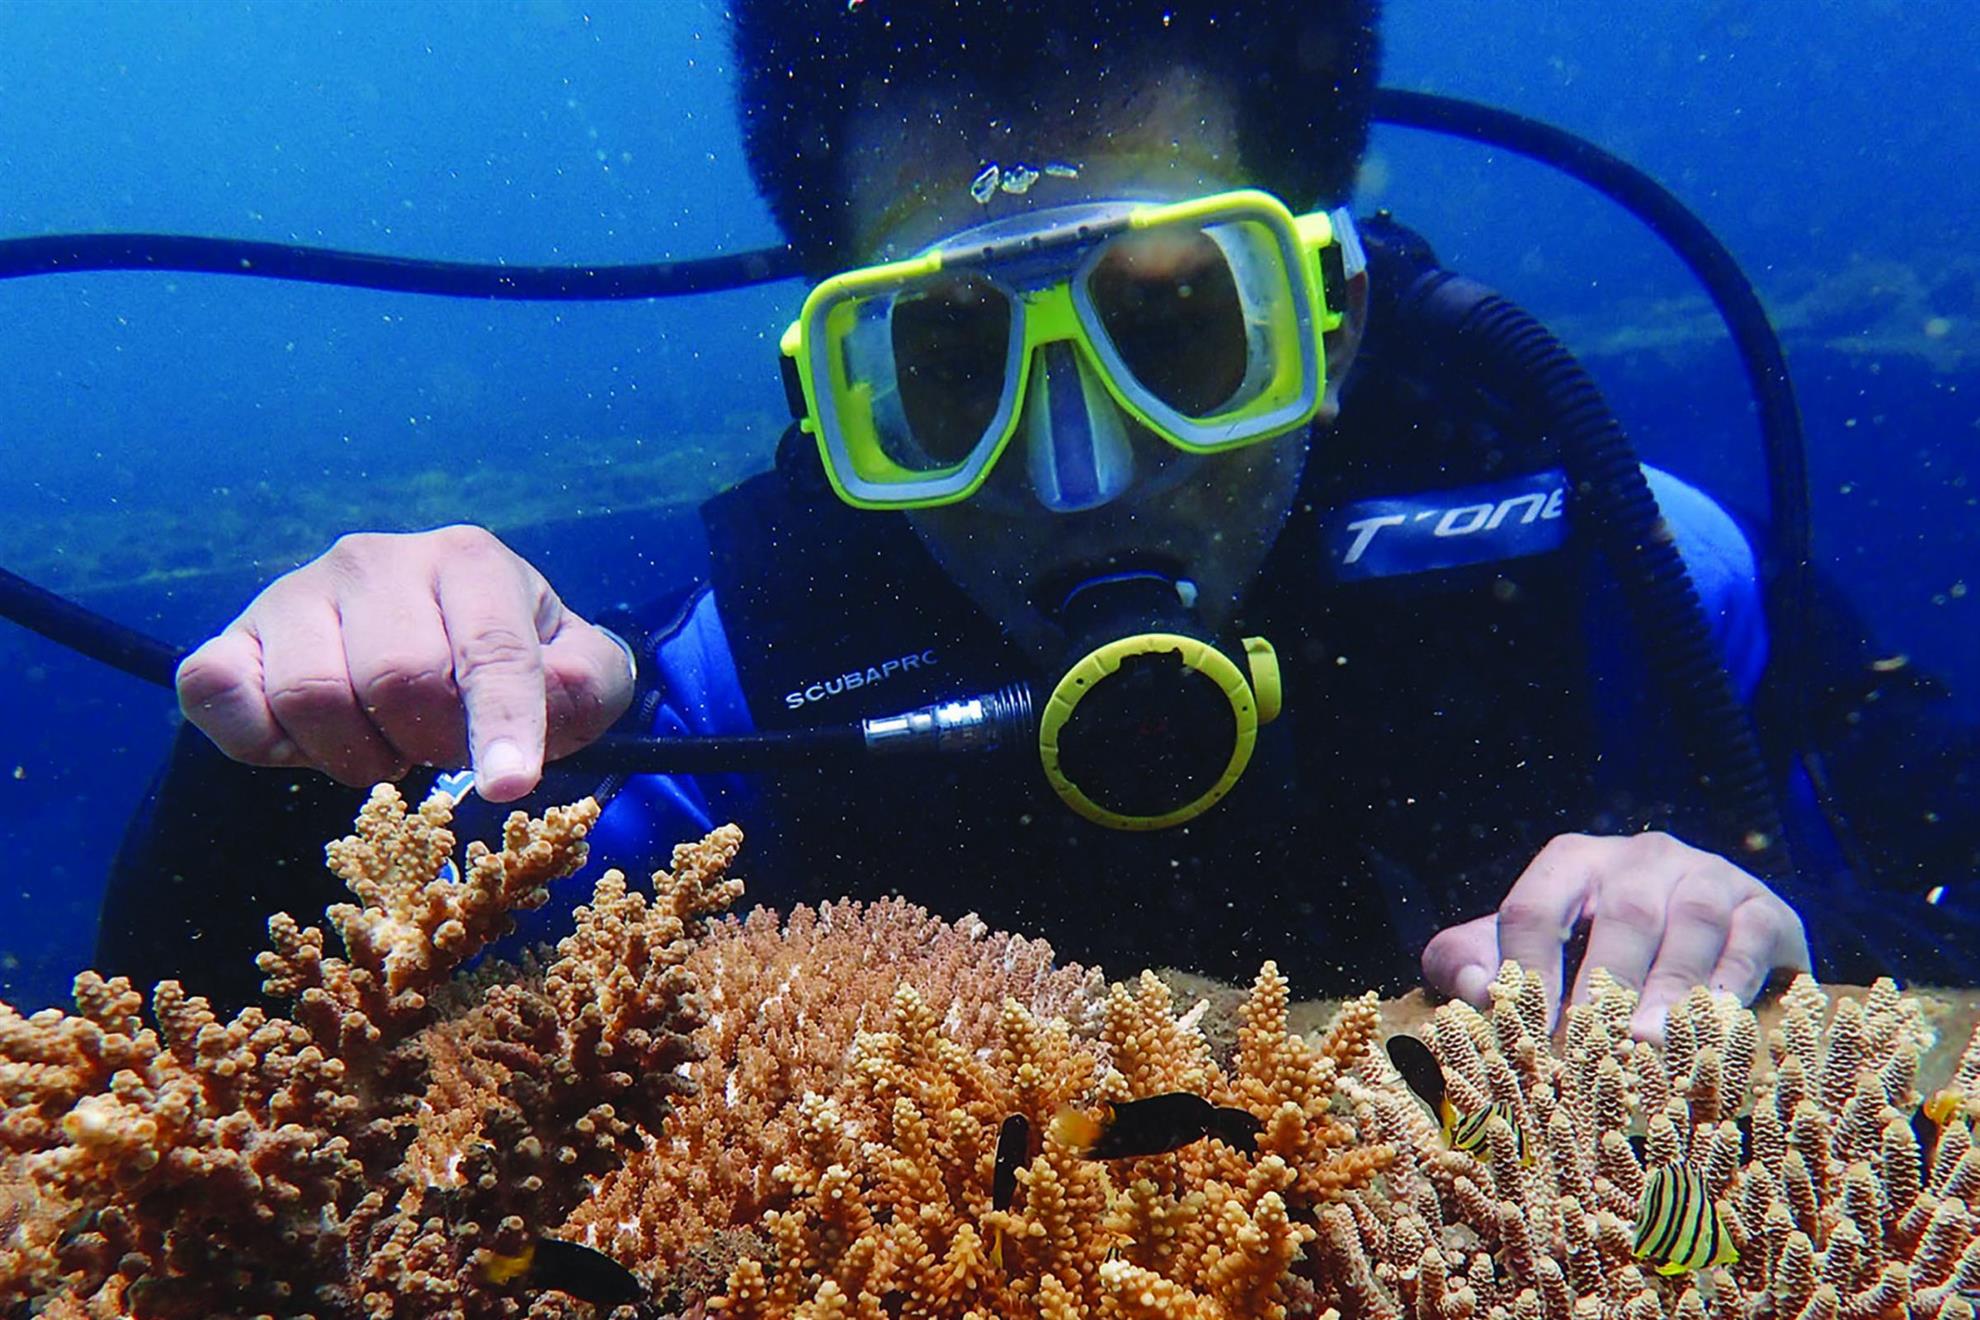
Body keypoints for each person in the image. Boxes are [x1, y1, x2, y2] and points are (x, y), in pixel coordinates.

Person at [101, 0, 1978, 1034]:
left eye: (1181, 328)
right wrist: (300, 756)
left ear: (1331, 318)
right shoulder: (754, 685)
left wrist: (1781, 933)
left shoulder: (1616, 560)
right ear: (828, 392)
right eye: (943, 363)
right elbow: (231, 1054)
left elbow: (1943, 890)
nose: (1079, 470)